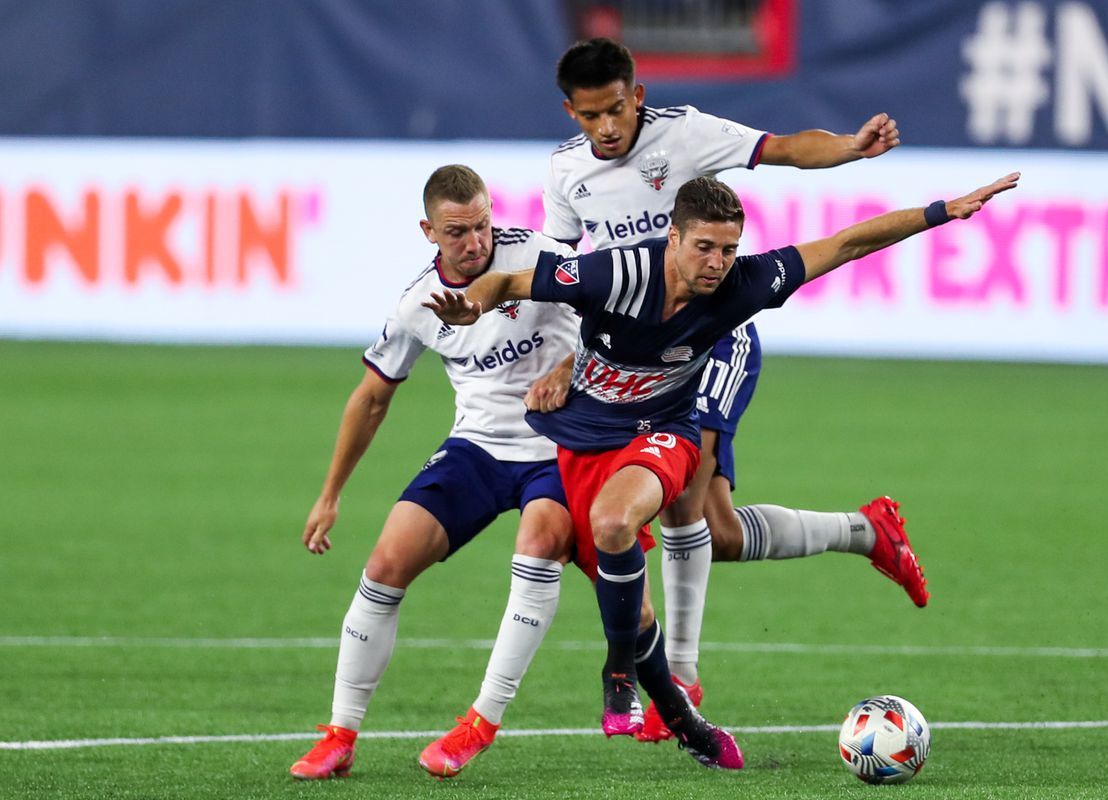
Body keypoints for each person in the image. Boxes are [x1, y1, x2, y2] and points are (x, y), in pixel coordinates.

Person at [426, 171, 1020, 760]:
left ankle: (620, 676)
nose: (717, 262)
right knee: (658, 580)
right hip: (587, 434)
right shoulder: (614, 273)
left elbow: (844, 244)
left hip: (666, 431)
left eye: (729, 248)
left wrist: (942, 211)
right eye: (705, 247)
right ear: (674, 239)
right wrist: (469, 307)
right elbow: (506, 280)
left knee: (616, 524)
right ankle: (686, 719)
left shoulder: (747, 281)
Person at [542, 37, 924, 742]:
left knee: (684, 497)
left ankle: (679, 679)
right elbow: (564, 269)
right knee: (714, 531)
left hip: (713, 338)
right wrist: (566, 357)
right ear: (572, 111)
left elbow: (780, 148)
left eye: (617, 110)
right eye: (591, 116)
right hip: (633, 360)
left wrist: (848, 147)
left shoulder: (683, 133)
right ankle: (865, 530)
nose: (607, 128)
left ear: (639, 96)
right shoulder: (564, 173)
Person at [289, 165, 584, 780]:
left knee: (539, 547)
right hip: (477, 447)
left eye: (481, 225)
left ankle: (480, 722)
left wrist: (568, 365)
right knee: (384, 566)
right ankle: (340, 735)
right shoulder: (417, 305)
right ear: (429, 231)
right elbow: (371, 397)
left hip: (557, 446)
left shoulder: (540, 256)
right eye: (457, 232)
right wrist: (329, 494)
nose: (475, 242)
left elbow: (613, 317)